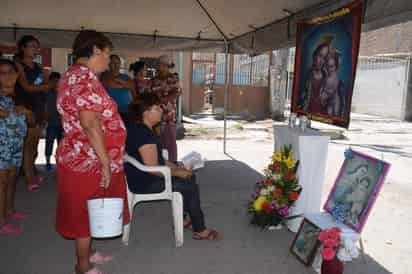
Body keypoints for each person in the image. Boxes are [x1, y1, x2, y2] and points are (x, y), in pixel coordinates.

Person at [55, 30, 130, 274]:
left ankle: (87, 253)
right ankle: (83, 266)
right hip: (88, 160)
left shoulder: (75, 75)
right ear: (95, 50)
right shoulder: (83, 79)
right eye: (107, 55)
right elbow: (90, 123)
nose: (109, 61)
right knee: (84, 213)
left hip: (84, 156)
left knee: (92, 209)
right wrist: (106, 162)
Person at [124, 92, 222, 241]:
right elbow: (154, 168)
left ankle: (182, 219)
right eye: (157, 108)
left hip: (141, 175)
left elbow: (159, 160)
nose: (161, 110)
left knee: (188, 176)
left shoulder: (140, 127)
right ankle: (200, 229)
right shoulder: (144, 134)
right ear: (146, 112)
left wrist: (178, 166)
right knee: (189, 184)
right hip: (145, 182)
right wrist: (177, 173)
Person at [14, 35, 49, 192]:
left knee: (34, 146)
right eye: (32, 46)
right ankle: (29, 178)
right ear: (23, 47)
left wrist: (46, 108)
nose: (35, 49)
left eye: (37, 46)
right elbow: (26, 87)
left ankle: (31, 172)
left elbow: (43, 87)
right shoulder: (18, 65)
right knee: (27, 145)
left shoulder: (39, 67)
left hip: (39, 106)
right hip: (26, 106)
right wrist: (46, 87)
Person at [0, 59, 29, 235]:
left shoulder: (17, 96)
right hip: (1, 145)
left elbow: (31, 120)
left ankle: (9, 210)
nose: (8, 76)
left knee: (11, 179)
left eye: (11, 71)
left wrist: (26, 111)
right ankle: (1, 221)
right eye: (2, 73)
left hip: (16, 144)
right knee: (2, 182)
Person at [151, 55, 181, 162]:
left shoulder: (173, 77)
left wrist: (164, 99)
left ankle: (173, 162)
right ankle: (160, 160)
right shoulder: (154, 79)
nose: (158, 67)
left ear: (165, 65)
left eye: (159, 65)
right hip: (156, 114)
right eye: (158, 65)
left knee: (171, 139)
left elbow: (177, 92)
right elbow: (151, 94)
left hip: (169, 114)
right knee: (158, 139)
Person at [298, 37, 332, 115]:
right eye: (320, 55)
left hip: (321, 116)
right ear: (315, 55)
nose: (321, 61)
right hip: (306, 115)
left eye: (324, 57)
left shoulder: (326, 78)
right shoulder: (306, 75)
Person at [101, 54, 136, 122]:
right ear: (109, 64)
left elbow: (132, 87)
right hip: (109, 111)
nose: (116, 65)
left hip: (126, 111)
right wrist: (124, 84)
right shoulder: (104, 76)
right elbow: (109, 84)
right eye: (113, 62)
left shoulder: (126, 77)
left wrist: (117, 82)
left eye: (118, 63)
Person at [44, 72, 63, 171]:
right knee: (49, 143)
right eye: (53, 81)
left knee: (62, 145)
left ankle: (60, 163)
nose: (56, 83)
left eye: (57, 81)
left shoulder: (63, 92)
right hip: (51, 123)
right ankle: (47, 162)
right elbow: (43, 105)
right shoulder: (46, 92)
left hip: (62, 123)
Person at [320, 51, 345, 117]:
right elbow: (322, 94)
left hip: (335, 104)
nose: (329, 69)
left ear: (336, 67)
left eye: (331, 66)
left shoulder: (338, 82)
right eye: (327, 66)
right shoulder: (324, 79)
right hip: (326, 106)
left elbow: (341, 101)